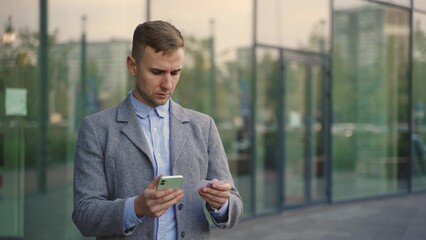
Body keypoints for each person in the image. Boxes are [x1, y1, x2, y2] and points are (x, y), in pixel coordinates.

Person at [72, 20, 243, 240]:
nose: (168, 84)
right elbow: (85, 214)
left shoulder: (203, 126)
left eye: (175, 72)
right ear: (132, 66)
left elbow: (235, 204)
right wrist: (136, 207)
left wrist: (222, 204)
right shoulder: (97, 129)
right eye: (157, 72)